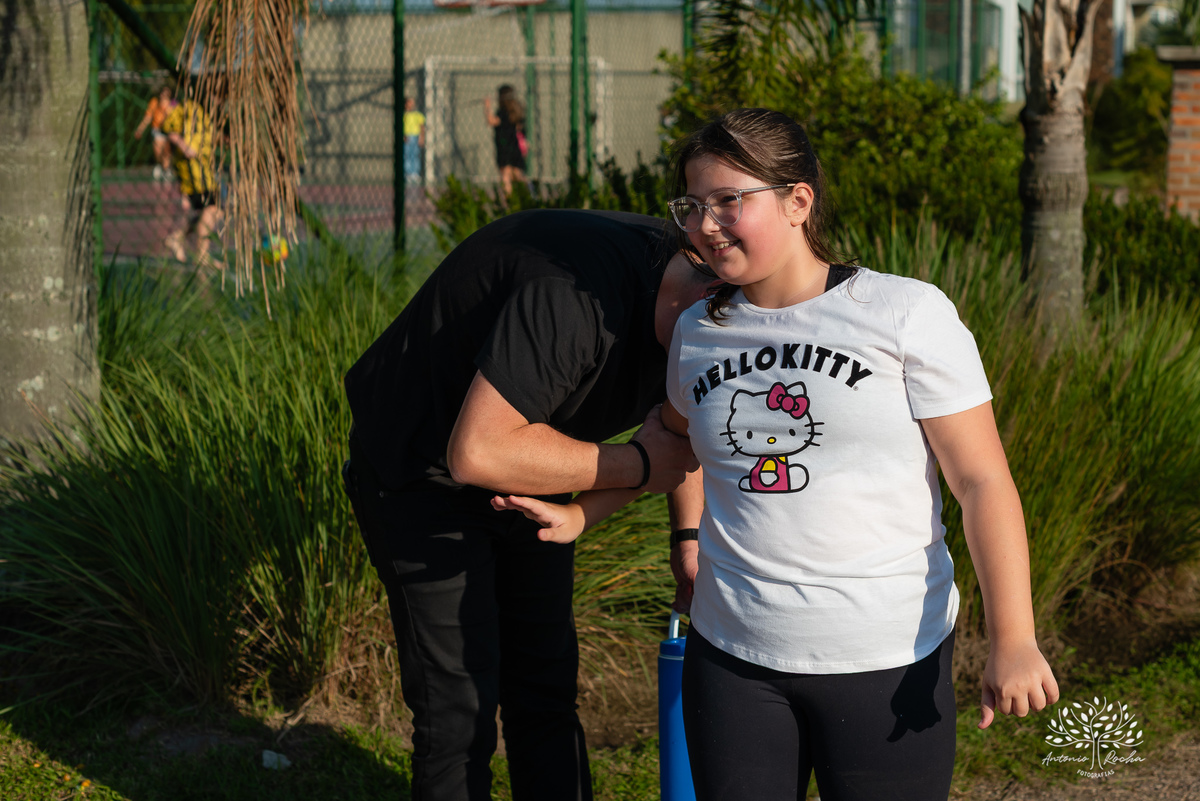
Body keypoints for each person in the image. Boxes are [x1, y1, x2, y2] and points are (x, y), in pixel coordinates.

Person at [491, 108, 1060, 801]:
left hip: (887, 661)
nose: (705, 224)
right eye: (692, 205)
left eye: (729, 200)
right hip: (732, 662)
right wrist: (586, 514)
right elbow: (671, 447)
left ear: (798, 201)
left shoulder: (905, 312)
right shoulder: (698, 331)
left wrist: (1014, 635)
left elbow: (981, 481)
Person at [341, 209, 714, 801]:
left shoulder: (706, 312)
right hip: (421, 468)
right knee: (457, 713)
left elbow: (681, 431)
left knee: (543, 690)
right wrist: (636, 465)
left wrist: (687, 543)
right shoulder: (575, 300)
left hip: (530, 462)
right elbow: (478, 451)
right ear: (707, 292)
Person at [159, 96, 224, 275]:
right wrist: (184, 146)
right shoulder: (188, 108)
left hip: (204, 171)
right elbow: (167, 128)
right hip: (194, 174)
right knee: (213, 209)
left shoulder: (206, 111)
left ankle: (178, 238)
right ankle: (201, 255)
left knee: (211, 211)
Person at [484, 84, 527, 197]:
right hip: (515, 148)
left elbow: (491, 121)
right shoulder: (517, 113)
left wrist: (487, 107)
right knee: (518, 174)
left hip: (504, 148)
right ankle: (528, 194)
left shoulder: (502, 113)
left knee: (506, 176)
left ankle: (510, 200)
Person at [133, 82, 178, 181]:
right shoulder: (154, 102)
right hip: (157, 129)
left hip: (170, 131)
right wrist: (140, 129)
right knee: (158, 152)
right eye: (162, 92)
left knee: (167, 151)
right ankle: (160, 165)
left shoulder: (173, 103)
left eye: (166, 93)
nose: (164, 95)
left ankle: (166, 170)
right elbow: (148, 117)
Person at [403, 96, 426, 185]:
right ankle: (408, 173)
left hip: (415, 137)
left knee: (415, 155)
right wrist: (403, 136)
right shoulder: (404, 115)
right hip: (407, 137)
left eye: (412, 102)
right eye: (409, 102)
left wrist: (421, 137)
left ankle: (415, 173)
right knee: (407, 155)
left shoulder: (418, 115)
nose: (411, 104)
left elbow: (422, 127)